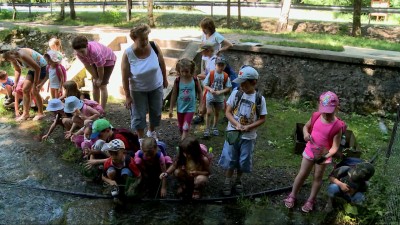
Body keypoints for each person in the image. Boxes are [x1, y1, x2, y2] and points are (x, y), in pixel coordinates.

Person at [284, 91, 345, 213]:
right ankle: (293, 194)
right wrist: (306, 134)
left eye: (330, 112)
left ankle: (311, 200)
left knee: (317, 177)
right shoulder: (316, 116)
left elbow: (334, 147)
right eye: (324, 111)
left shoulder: (337, 126)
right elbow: (306, 127)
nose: (326, 115)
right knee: (302, 173)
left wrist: (324, 157)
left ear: (337, 108)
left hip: (323, 156)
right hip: (309, 151)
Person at [219, 66, 267, 196]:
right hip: (233, 133)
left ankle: (238, 180)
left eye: (244, 84)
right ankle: (227, 181)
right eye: (240, 83)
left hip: (248, 137)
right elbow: (228, 112)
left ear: (254, 82)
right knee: (230, 158)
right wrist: (236, 124)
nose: (241, 86)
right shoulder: (236, 93)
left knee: (243, 160)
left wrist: (249, 127)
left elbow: (262, 118)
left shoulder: (259, 99)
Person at [121, 24, 168, 144]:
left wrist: (165, 78)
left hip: (156, 85)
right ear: (134, 39)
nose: (145, 41)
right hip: (137, 89)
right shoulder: (128, 54)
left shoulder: (154, 46)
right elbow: (124, 76)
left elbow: (161, 62)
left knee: (156, 111)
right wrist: (127, 95)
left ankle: (151, 131)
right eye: (142, 39)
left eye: (146, 38)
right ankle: (141, 138)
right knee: (139, 114)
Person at [1, 48, 47, 121]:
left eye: (9, 59)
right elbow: (17, 69)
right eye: (8, 60)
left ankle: (41, 113)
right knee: (25, 89)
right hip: (32, 69)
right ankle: (26, 114)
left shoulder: (22, 55)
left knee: (34, 90)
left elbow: (38, 68)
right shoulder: (13, 57)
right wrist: (15, 83)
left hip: (42, 68)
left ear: (10, 54)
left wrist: (35, 83)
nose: (9, 61)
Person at [72, 36, 116, 110]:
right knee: (95, 84)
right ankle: (96, 107)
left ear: (87, 46)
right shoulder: (79, 53)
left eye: (82, 51)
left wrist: (100, 79)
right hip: (95, 61)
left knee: (102, 85)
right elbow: (87, 65)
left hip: (108, 59)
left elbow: (100, 67)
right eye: (78, 52)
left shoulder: (95, 51)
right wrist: (96, 78)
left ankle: (102, 109)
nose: (81, 54)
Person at [169, 58, 202, 140]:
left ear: (191, 70)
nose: (184, 74)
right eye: (182, 71)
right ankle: (185, 140)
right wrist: (170, 108)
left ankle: (182, 145)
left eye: (186, 71)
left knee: (186, 127)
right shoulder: (177, 80)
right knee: (181, 127)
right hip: (180, 108)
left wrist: (201, 105)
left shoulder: (195, 80)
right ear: (179, 70)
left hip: (190, 108)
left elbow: (200, 92)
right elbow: (174, 94)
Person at [202, 56, 232, 137]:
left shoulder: (225, 76)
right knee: (208, 112)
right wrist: (210, 89)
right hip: (210, 97)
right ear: (215, 65)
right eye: (219, 65)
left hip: (219, 99)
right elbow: (205, 84)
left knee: (217, 113)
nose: (221, 67)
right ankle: (207, 128)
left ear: (224, 66)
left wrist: (220, 92)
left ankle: (214, 127)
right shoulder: (211, 73)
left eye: (222, 65)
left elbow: (228, 87)